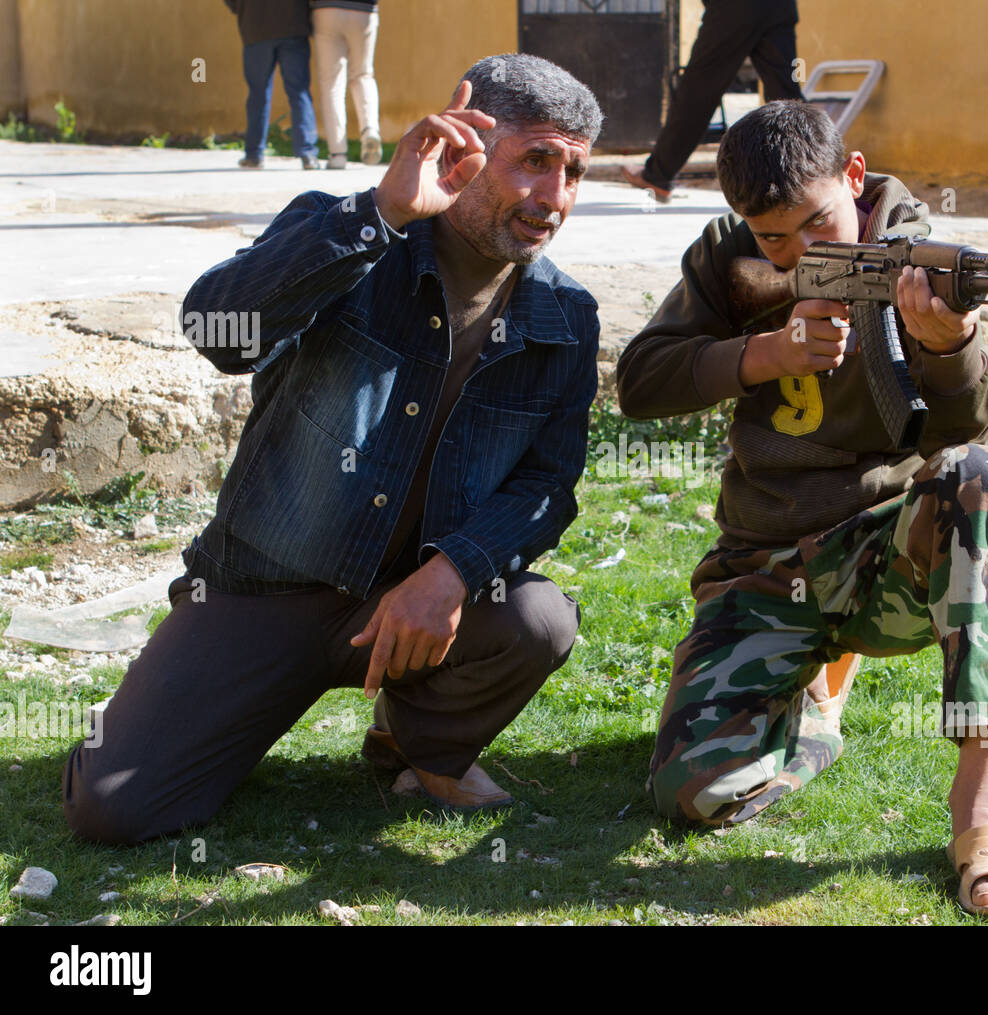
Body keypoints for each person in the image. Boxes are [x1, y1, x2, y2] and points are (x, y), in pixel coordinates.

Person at [62, 54, 603, 844]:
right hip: (260, 592)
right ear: (468, 142)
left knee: (538, 618)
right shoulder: (353, 233)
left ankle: (420, 744)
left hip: (414, 608)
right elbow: (215, 329)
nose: (554, 198)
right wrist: (381, 212)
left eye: (574, 172)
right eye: (535, 162)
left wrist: (453, 571)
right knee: (112, 808)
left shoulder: (565, 314)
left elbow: (549, 485)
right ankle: (167, 698)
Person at [616, 101, 988, 917]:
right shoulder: (728, 259)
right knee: (692, 795)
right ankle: (815, 704)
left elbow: (967, 433)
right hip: (762, 564)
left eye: (818, 223)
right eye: (773, 237)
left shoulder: (921, 256)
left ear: (854, 178)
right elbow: (639, 381)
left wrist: (948, 349)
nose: (800, 252)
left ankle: (982, 808)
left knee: (985, 478)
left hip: (886, 556)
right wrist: (763, 352)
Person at [622, 0, 804, 202]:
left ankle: (658, 175)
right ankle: (812, 174)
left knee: (697, 90)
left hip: (734, 9)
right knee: (786, 94)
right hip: (779, 7)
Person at [225, 0, 321, 169]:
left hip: (256, 27)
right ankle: (307, 154)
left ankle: (254, 155)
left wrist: (243, 8)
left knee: (258, 94)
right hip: (293, 25)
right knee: (299, 91)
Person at [310, 0, 383, 169]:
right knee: (363, 74)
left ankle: (338, 154)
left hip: (326, 10)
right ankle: (370, 130)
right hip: (364, 11)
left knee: (331, 83)